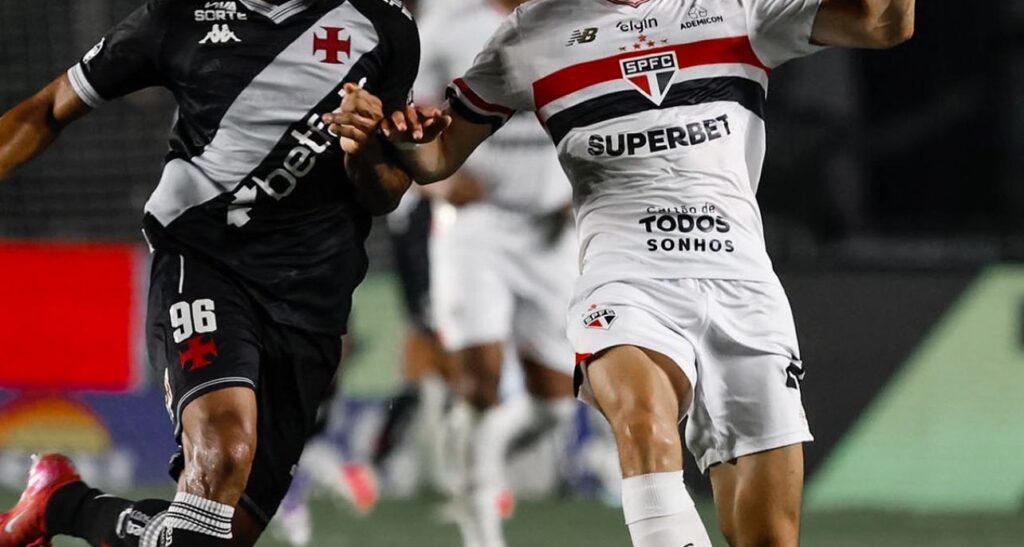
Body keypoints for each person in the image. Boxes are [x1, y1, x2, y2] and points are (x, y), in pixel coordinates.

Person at [329, 0, 915, 546]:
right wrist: (400, 140)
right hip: (625, 278)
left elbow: (884, 22)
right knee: (642, 420)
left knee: (768, 536)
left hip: (741, 283)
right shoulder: (531, 34)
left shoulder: (738, 9)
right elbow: (436, 158)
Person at [0, 0, 418, 545]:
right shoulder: (179, 16)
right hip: (203, 262)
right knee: (223, 452)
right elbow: (49, 107)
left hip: (312, 301)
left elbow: (387, 191)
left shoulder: (384, 25)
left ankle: (62, 503)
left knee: (216, 535)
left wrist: (364, 150)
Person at [407, 1, 579, 545]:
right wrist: (437, 183)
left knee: (553, 408)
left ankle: (470, 443)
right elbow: (403, 125)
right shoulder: (446, 29)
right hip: (474, 225)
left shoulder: (578, 18)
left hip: (552, 230)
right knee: (480, 381)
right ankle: (482, 534)